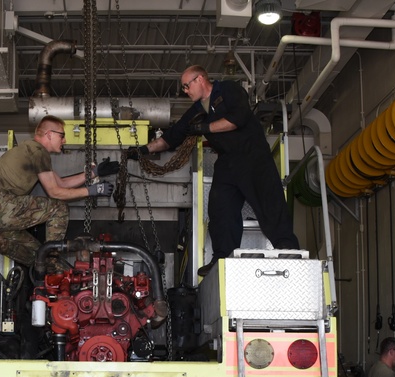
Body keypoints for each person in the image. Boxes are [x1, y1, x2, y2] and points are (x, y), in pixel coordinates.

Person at [126, 65, 299, 277]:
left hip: (253, 156)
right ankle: (221, 258)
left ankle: (287, 249)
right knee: (220, 209)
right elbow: (171, 137)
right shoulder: (196, 111)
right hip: (227, 162)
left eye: (187, 86)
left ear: (200, 79)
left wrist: (206, 128)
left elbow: (239, 118)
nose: (186, 91)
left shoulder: (228, 90)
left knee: (268, 202)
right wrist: (143, 150)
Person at [0, 115, 117, 269]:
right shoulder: (38, 151)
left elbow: (61, 183)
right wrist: (91, 191)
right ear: (49, 134)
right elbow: (55, 192)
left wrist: (93, 173)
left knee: (38, 254)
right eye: (62, 135)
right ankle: (54, 261)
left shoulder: (31, 150)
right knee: (59, 208)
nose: (64, 141)